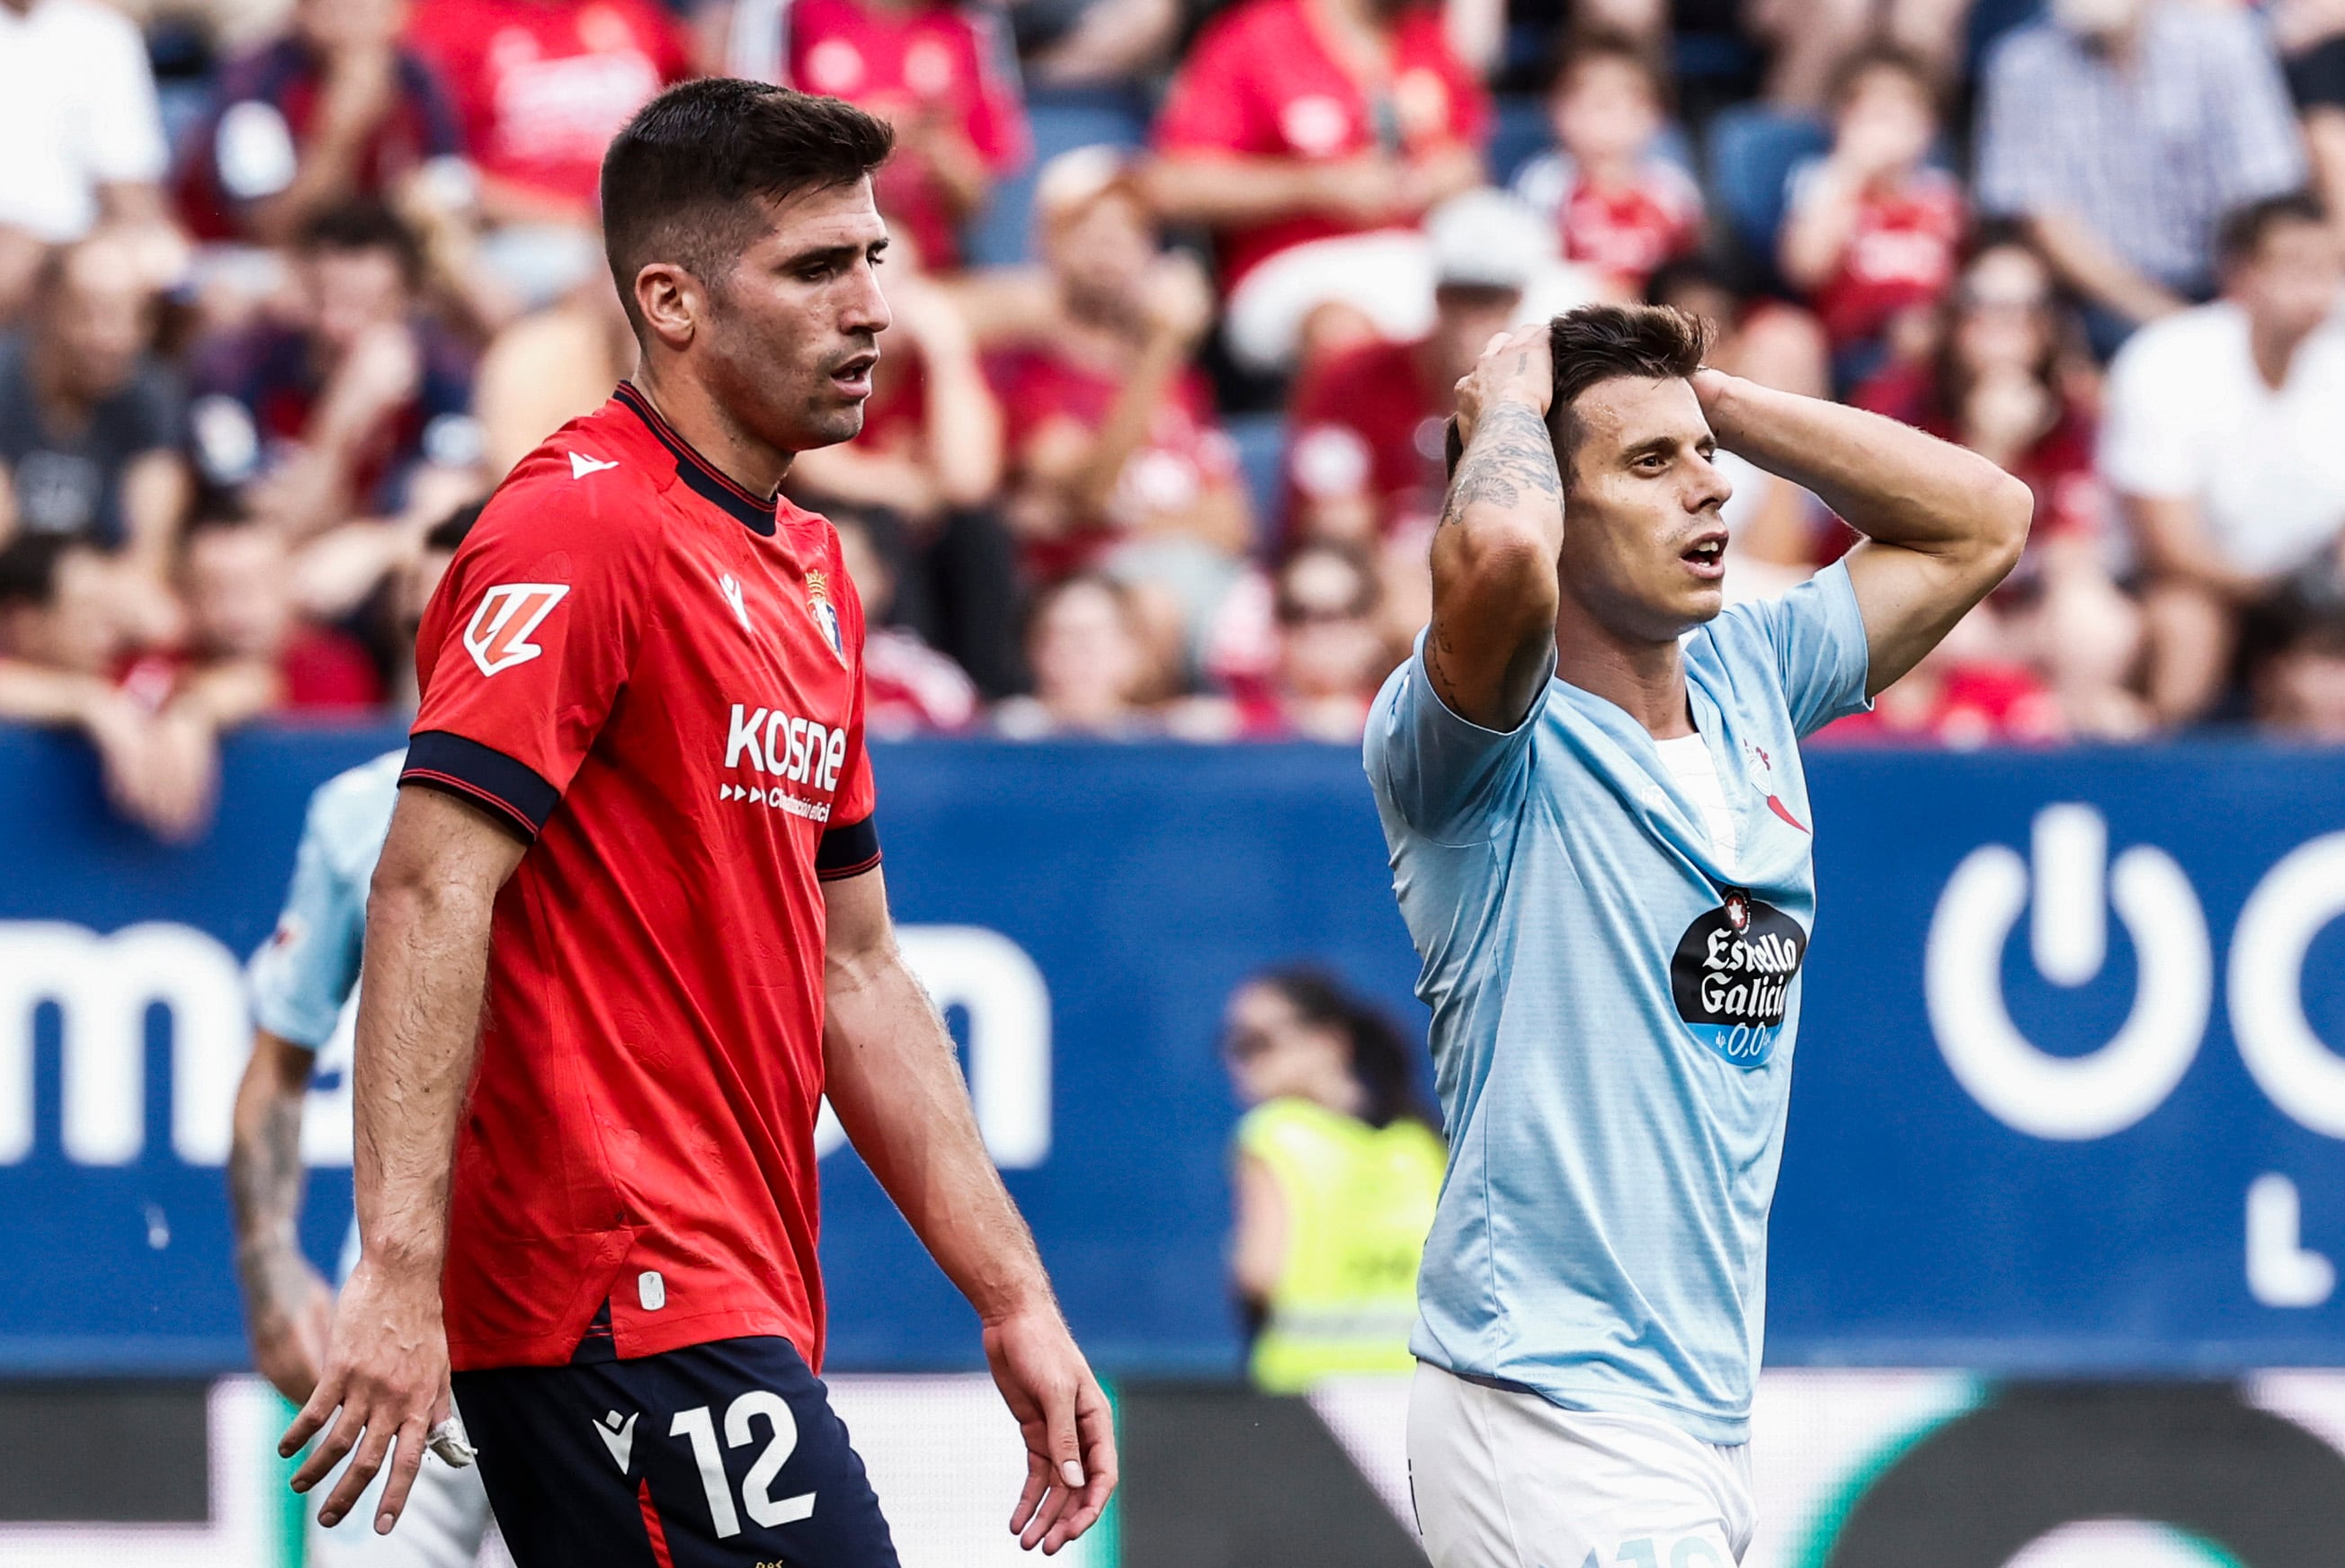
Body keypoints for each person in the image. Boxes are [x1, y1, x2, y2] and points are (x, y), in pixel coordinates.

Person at [278, 80, 1115, 1566]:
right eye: (813, 268)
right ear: (669, 299)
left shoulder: (812, 570)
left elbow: (854, 971)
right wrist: (398, 1271)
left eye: (873, 260)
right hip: (611, 1294)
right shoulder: (575, 522)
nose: (868, 309)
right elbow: (423, 888)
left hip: (724, 1285)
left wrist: (1013, 1294)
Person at [1369, 304, 2028, 1564]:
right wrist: (1508, 412)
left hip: (1697, 1413)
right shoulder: (1473, 743)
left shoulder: (1751, 678)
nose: (1709, 493)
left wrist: (1704, 400)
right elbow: (1503, 552)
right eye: (1648, 466)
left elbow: (1983, 518)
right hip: (1547, 1403)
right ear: (1558, 505)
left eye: (1705, 461)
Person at [228, 507, 497, 1568]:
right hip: (398, 1293)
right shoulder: (357, 811)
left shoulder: (625, 801)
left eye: (463, 620)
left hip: (591, 1295)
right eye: (413, 628)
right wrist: (271, 1273)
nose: (434, 655)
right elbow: (276, 1064)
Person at [2100, 193, 2345, 726]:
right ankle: (2161, 782)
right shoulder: (2167, 358)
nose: (2317, 286)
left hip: (2311, 594)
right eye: (2296, 265)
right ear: (2242, 274)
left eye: (2330, 266)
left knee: (2330, 662)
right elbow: (2168, 546)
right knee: (2189, 624)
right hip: (2179, 588)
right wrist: (2282, 595)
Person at [1146, 0, 1489, 373]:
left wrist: (1449, 175)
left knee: (1510, 325)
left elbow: (1470, 160)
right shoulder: (1258, 35)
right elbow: (1174, 184)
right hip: (1294, 266)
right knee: (1343, 331)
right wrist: (1315, 186)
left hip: (1421, 255)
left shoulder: (1425, 35)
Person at [1975, 0, 2305, 357]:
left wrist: (2231, 310)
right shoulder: (2021, 65)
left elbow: (2267, 192)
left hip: (2229, 285)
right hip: (2100, 304)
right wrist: (2169, 320)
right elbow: (2044, 220)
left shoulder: (2226, 43)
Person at [189, 201, 481, 537]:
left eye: (365, 307)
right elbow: (271, 528)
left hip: (379, 559)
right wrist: (343, 416)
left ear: (406, 303)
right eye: (325, 302)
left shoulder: (444, 370)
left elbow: (453, 503)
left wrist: (376, 546)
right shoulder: (234, 367)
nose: (338, 326)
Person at [1220, 967, 1446, 1394]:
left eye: (1256, 1043)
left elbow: (1258, 1273)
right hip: (1418, 1386)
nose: (1239, 1062)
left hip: (1304, 1390)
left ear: (1329, 1041)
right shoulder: (1421, 1142)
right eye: (1231, 1046)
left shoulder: (1273, 1134)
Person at [175, 0, 470, 248]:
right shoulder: (255, 81)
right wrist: (340, 132)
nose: (354, 16)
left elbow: (450, 190)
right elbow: (268, 232)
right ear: (302, 12)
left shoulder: (414, 73)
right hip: (241, 255)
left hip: (371, 252)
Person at [776, 0, 1031, 273]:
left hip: (935, 267)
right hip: (821, 259)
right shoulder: (795, 14)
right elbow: (766, 161)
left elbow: (978, 201)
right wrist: (869, 134)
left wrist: (937, 149)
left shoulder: (969, 28)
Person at [0, 235, 191, 586]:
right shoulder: (6, 379)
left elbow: (151, 552)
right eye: (90, 315)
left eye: (131, 318)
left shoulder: (151, 394)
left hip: (103, 594)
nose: (111, 338)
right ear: (49, 309)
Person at [1778, 44, 1962, 387]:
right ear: (1842, 120)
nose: (1887, 130)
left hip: (1930, 337)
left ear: (1929, 128)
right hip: (1851, 342)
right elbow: (1804, 269)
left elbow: (1957, 277)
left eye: (1903, 113)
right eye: (1874, 114)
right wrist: (1851, 170)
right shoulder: (1825, 180)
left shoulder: (1941, 193)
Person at [0, 0, 175, 318]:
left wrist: (142, 242)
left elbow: (128, 182)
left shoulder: (104, 35)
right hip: (12, 245)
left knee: (151, 267)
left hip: (77, 241)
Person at [1509, 32, 1703, 298]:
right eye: (1593, 102)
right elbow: (1531, 273)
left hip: (1654, 322)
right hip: (1573, 321)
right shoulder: (1544, 184)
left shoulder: (1672, 190)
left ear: (1655, 114)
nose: (1607, 118)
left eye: (1625, 102)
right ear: (1556, 108)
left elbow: (1692, 274)